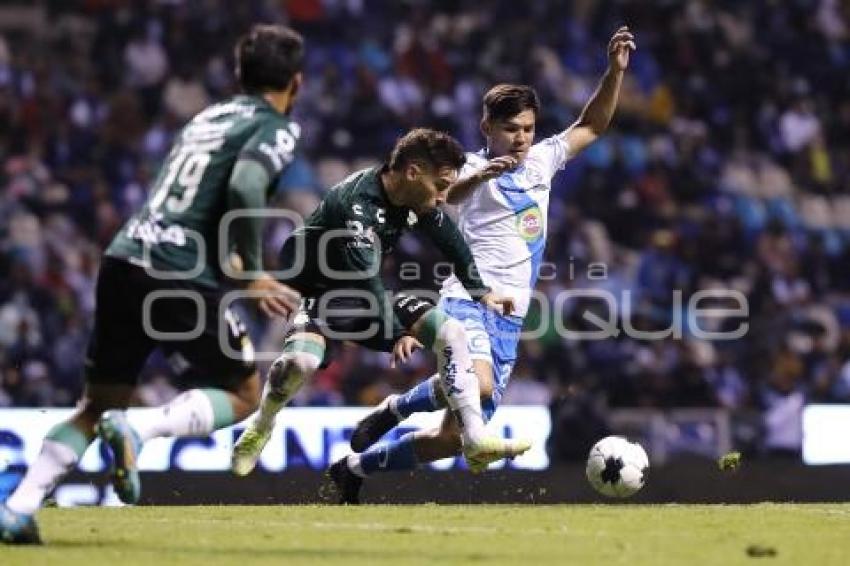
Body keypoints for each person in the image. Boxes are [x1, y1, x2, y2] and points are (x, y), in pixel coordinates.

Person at [1, 24, 306, 544]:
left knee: (95, 405)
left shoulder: (208, 115)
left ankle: (17, 510)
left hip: (125, 255)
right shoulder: (276, 125)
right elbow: (248, 182)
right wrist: (252, 270)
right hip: (177, 268)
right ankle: (138, 430)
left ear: (239, 74)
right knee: (244, 391)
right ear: (295, 84)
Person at [334, 26, 636, 502]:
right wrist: (483, 176)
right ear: (487, 130)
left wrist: (614, 73)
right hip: (469, 298)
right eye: (510, 129)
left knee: (452, 437)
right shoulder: (467, 165)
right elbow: (445, 196)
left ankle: (357, 463)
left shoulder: (542, 161)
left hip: (510, 315)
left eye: (527, 129)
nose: (520, 139)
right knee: (479, 383)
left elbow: (592, 125)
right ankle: (395, 413)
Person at [230, 128, 531, 501]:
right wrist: (396, 334)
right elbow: (365, 279)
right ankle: (263, 422)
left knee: (451, 332)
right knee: (300, 365)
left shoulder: (416, 199)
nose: (443, 196)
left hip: (368, 295)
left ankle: (474, 438)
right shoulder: (358, 205)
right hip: (320, 297)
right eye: (440, 185)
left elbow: (450, 240)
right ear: (412, 172)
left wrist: (481, 292)